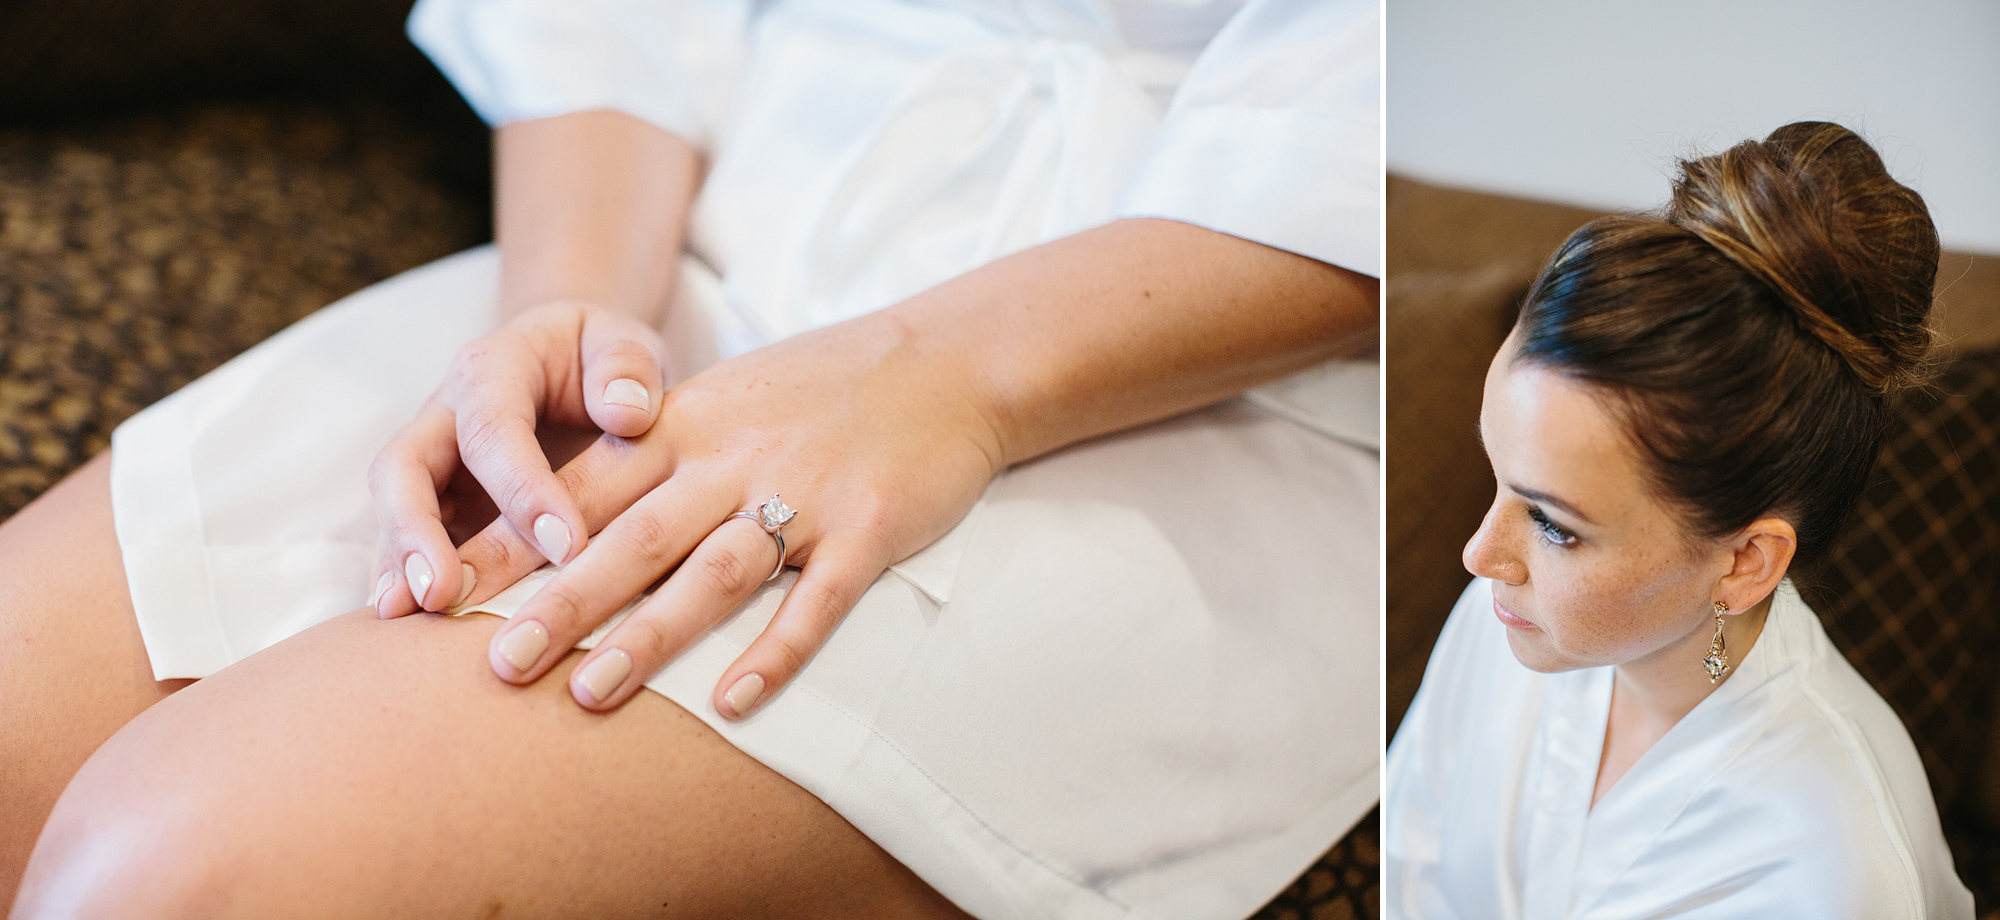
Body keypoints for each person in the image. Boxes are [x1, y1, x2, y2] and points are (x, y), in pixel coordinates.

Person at [1, 0, 1381, 917]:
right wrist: (580, 310)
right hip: (711, 219)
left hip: (1191, 345)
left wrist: (936, 382)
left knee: (175, 878)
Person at [1382, 122, 1974, 918]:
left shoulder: (1832, 871)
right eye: (1499, 480)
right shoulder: (1510, 621)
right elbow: (1409, 863)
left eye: (1554, 525)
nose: (1480, 554)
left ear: (1745, 563)